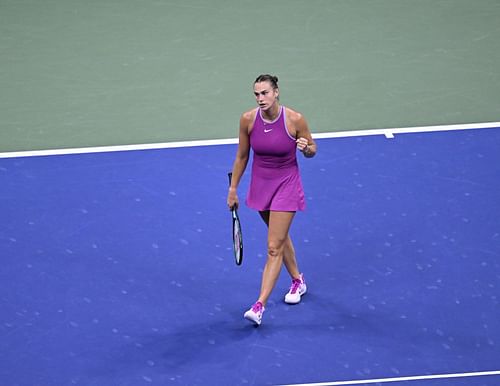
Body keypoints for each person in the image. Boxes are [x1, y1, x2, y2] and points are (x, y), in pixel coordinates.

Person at [227, 74, 317, 326]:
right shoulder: (247, 120)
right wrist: (233, 187)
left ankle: (259, 305)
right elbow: (242, 156)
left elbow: (312, 149)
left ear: (276, 92)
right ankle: (298, 281)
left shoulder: (295, 119)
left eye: (265, 93)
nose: (260, 98)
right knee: (279, 236)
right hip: (261, 185)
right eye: (256, 94)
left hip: (286, 184)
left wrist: (306, 148)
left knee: (273, 246)